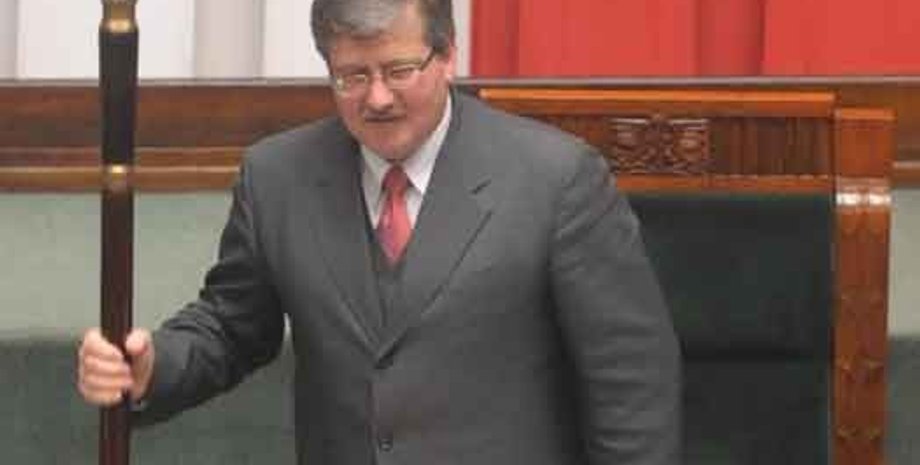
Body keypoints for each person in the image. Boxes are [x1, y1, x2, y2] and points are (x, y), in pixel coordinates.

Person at [77, 0, 681, 463]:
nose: (379, 98)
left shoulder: (555, 179)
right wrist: (151, 366)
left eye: (399, 69)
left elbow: (630, 385)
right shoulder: (278, 177)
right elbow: (234, 326)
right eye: (352, 76)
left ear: (447, 56)